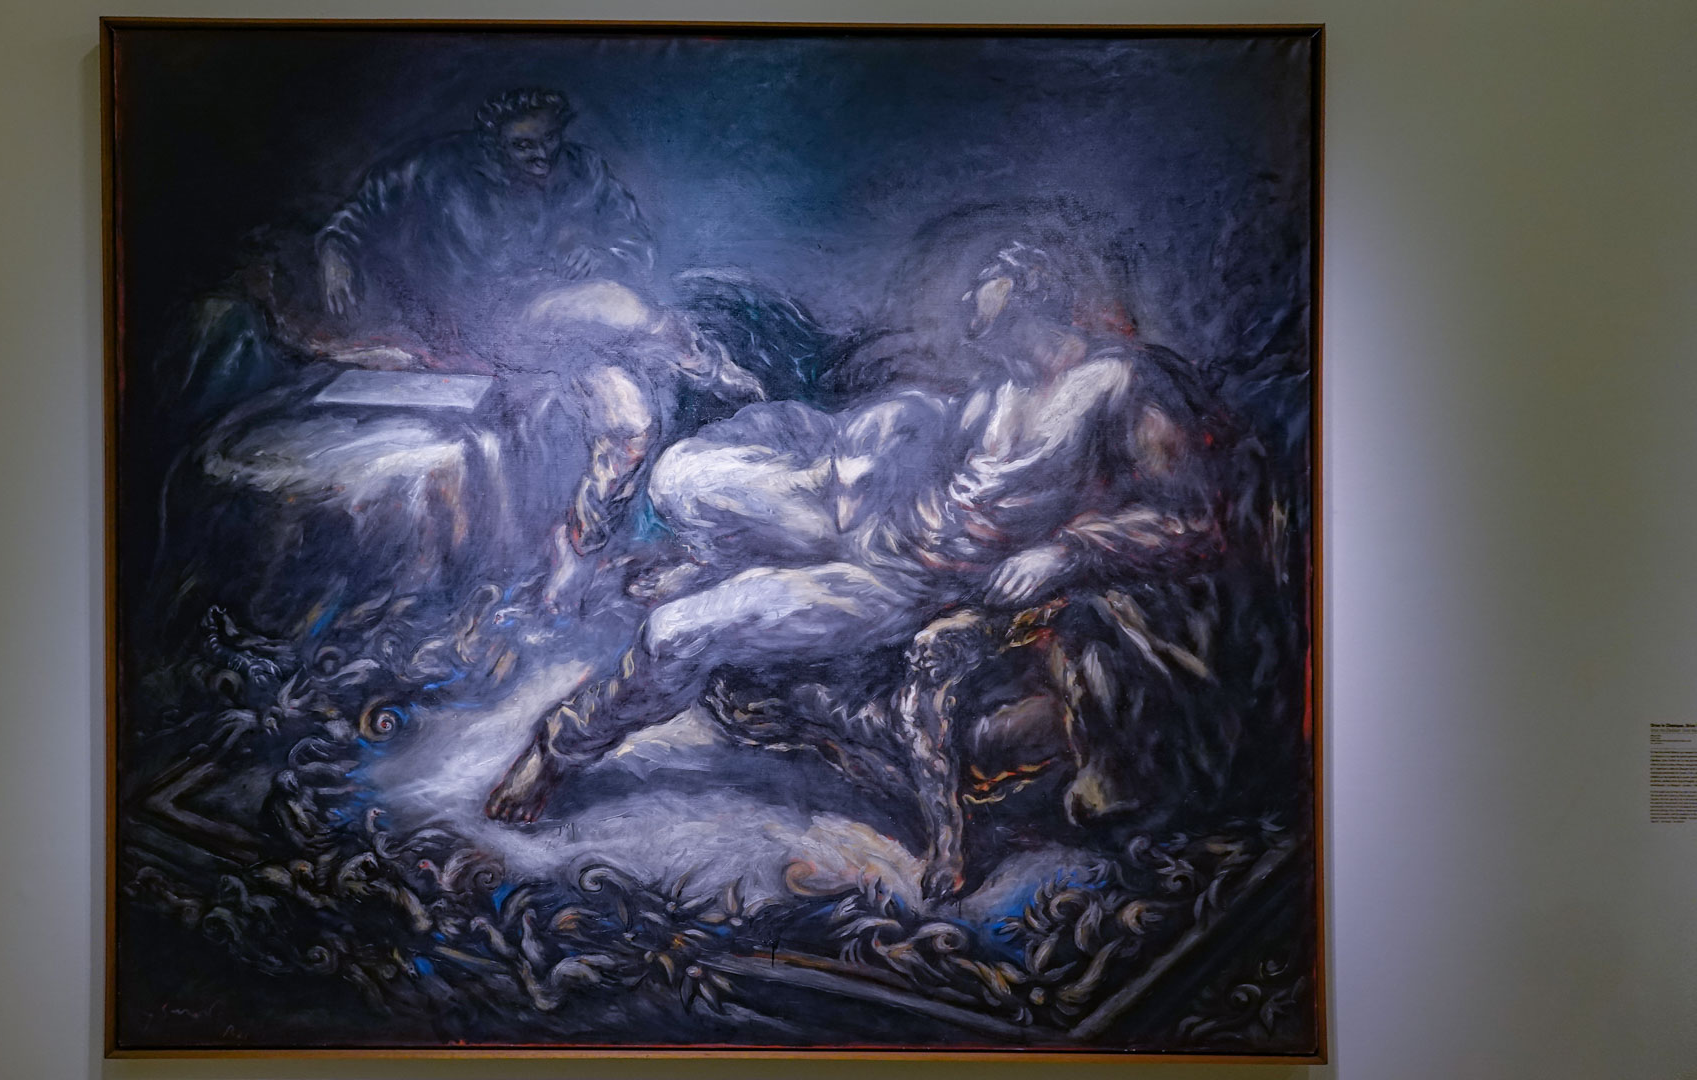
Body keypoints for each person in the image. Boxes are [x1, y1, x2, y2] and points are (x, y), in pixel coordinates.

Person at [484, 237, 1249, 897]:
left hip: (912, 583)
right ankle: (585, 716)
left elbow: (1193, 521)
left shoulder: (1118, 383)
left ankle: (556, 748)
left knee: (678, 630)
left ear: (1029, 291)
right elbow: (938, 463)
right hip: (873, 525)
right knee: (685, 478)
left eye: (984, 284)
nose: (965, 300)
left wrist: (1065, 550)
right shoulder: (996, 390)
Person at [314, 87, 655, 349]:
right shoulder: (436, 168)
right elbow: (360, 211)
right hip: (470, 328)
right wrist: (334, 249)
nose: (542, 155)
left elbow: (636, 241)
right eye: (523, 146)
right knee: (613, 309)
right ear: (493, 144)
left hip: (565, 327)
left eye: (550, 138)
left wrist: (604, 256)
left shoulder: (585, 169)